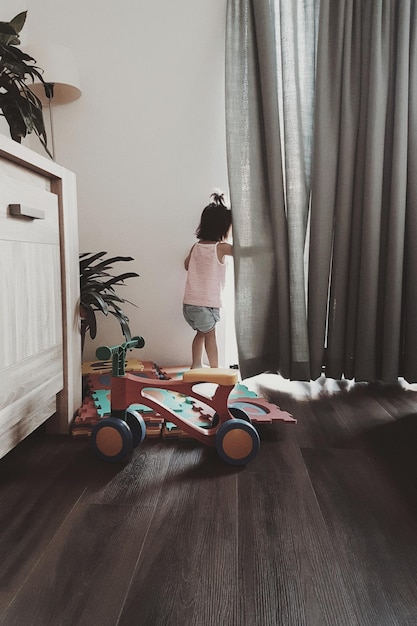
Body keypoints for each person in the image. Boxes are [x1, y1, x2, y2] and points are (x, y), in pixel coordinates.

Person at [183, 192, 233, 368]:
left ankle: (196, 364)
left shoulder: (195, 247)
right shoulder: (222, 248)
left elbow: (186, 265)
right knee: (210, 336)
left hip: (191, 303)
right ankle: (215, 368)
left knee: (201, 334)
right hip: (205, 304)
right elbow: (241, 252)